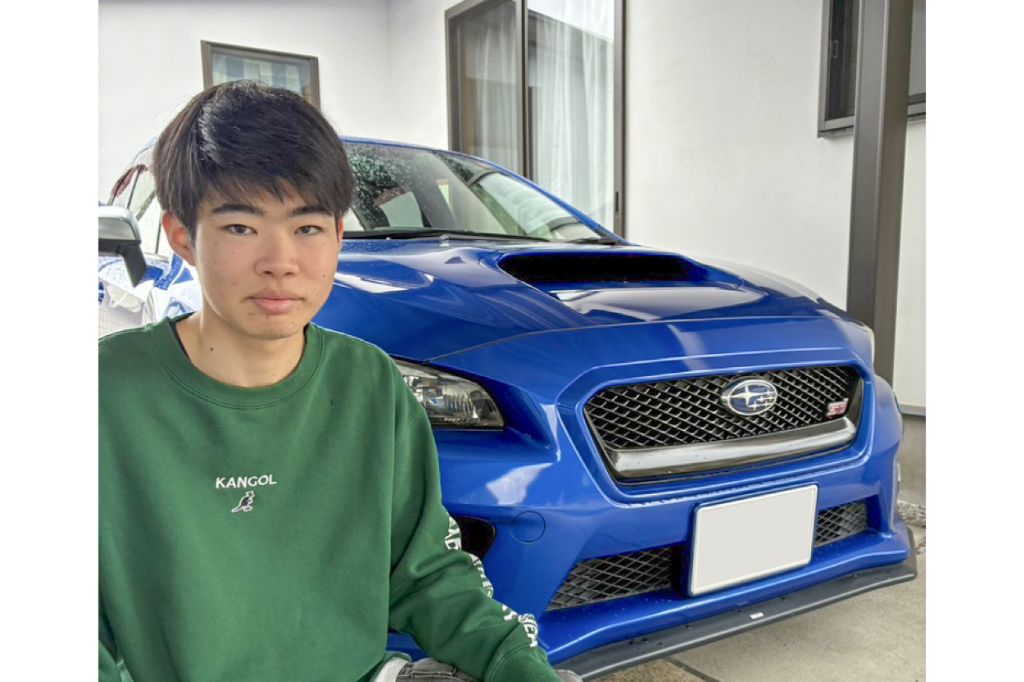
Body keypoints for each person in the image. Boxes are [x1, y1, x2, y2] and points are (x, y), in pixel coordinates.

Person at [99, 81, 582, 682]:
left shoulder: (371, 382)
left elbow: (427, 573)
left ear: (337, 237)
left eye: (307, 228)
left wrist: (518, 667)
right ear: (181, 237)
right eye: (241, 227)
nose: (280, 262)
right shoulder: (104, 396)